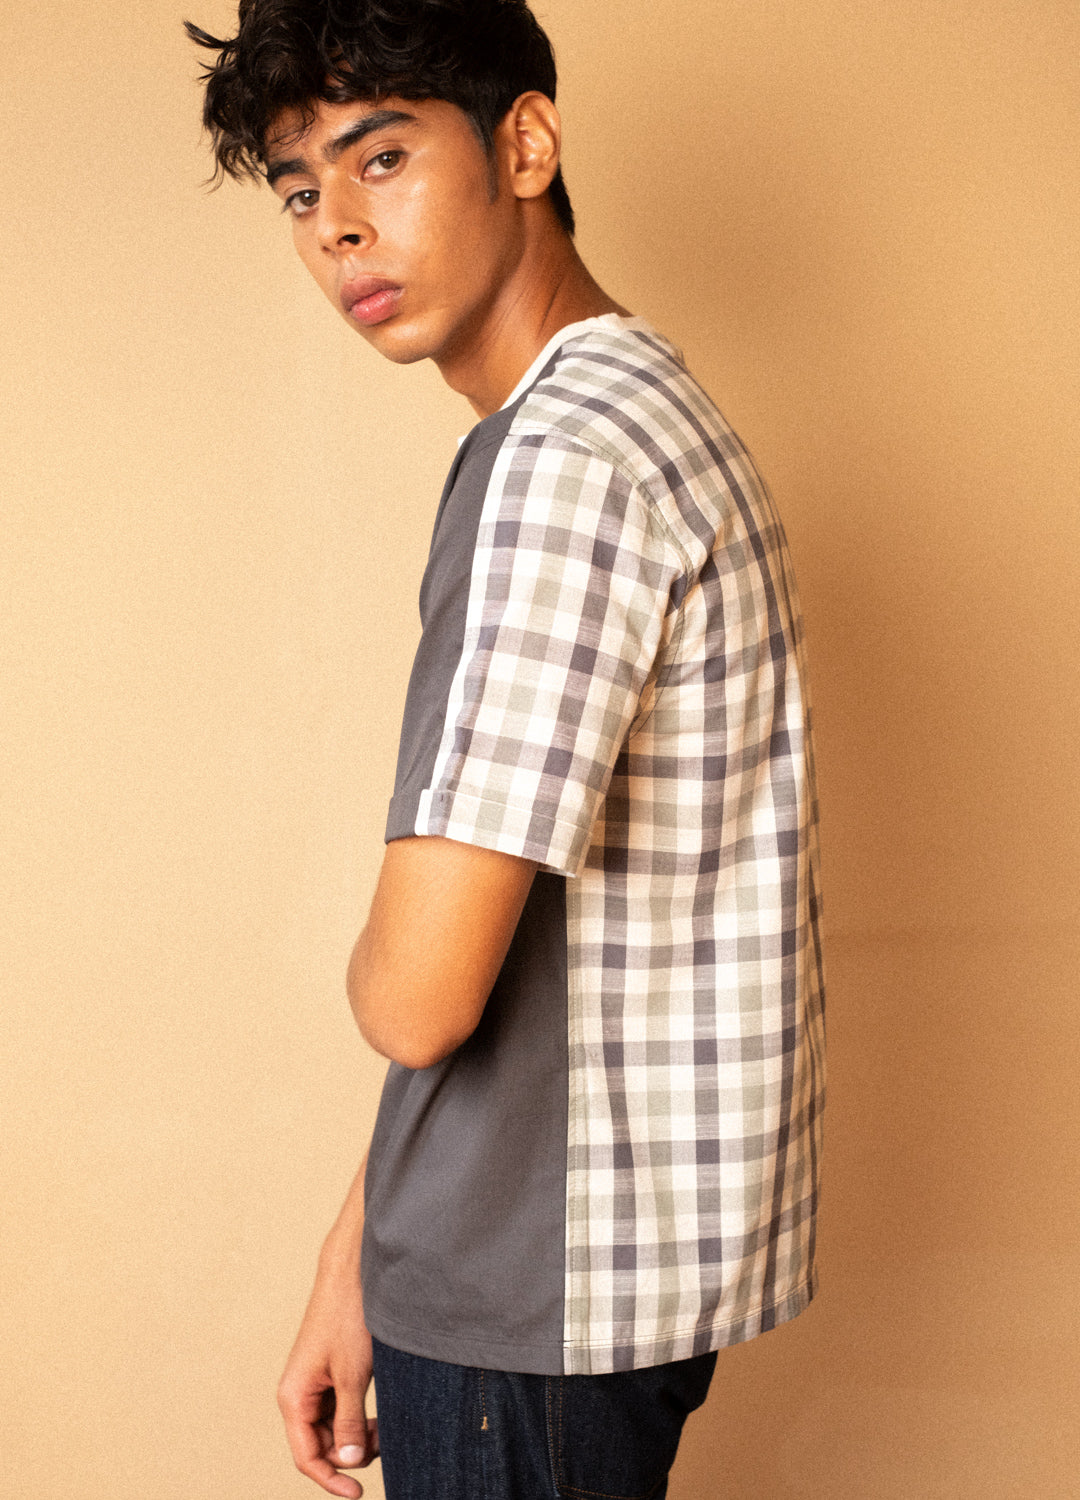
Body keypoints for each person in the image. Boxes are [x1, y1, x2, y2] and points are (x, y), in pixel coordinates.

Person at [187, 3, 826, 1495]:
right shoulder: (641, 407)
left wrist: (375, 955)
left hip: (531, 1311)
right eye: (299, 188)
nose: (339, 228)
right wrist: (364, 1250)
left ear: (524, 143)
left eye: (382, 157)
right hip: (550, 1272)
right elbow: (534, 962)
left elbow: (422, 994)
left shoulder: (561, 462)